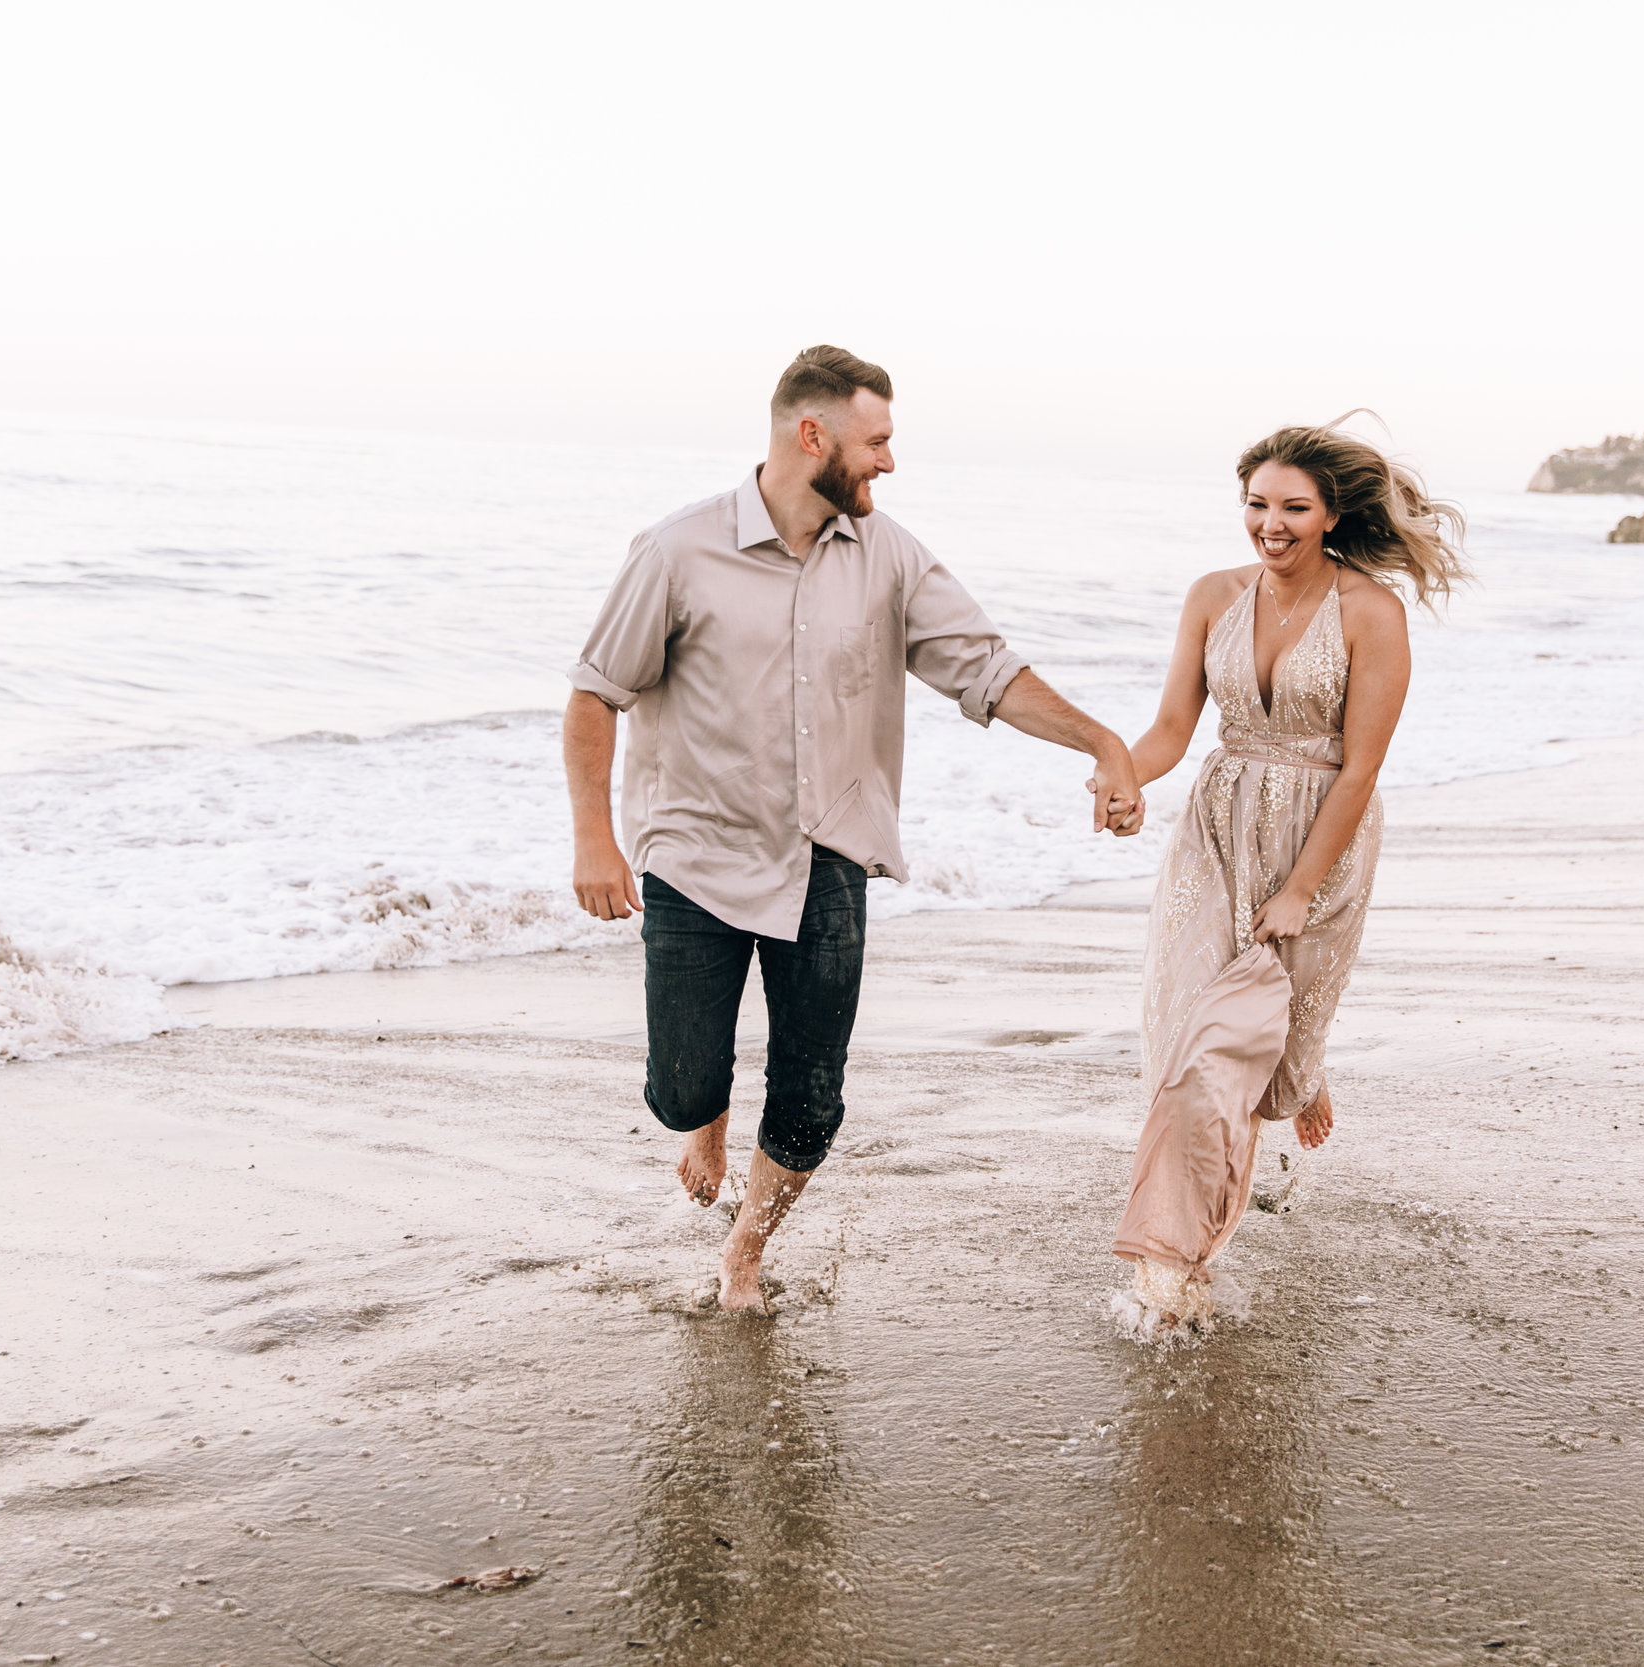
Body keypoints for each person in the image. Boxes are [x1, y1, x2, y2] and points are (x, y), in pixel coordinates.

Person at [564, 345, 1145, 1313]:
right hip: (695, 855)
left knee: (810, 1101)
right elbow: (594, 693)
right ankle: (700, 1116)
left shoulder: (891, 557)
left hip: (827, 852)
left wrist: (1100, 740)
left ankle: (743, 1251)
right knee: (682, 1082)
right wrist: (594, 837)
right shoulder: (676, 550)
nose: (887, 461)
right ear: (812, 435)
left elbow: (986, 670)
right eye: (875, 441)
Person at [1104, 420, 1465, 1330]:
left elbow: (1360, 770)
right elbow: (1171, 734)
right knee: (1193, 1053)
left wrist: (1301, 887)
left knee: (1259, 1067)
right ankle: (1173, 1268)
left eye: (1293, 507)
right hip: (1217, 833)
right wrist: (1121, 772)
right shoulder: (1210, 596)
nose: (1271, 524)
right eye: (1257, 504)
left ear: (1332, 512)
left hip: (1321, 840)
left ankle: (1299, 1066)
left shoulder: (1371, 612)